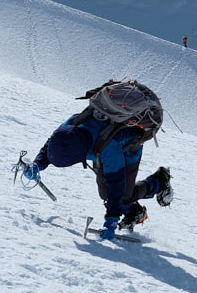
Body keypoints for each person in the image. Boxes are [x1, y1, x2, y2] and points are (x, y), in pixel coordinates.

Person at [16, 80, 172, 240]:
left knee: (123, 194)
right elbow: (53, 144)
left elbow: (116, 182)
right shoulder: (74, 124)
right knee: (105, 193)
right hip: (108, 138)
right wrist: (38, 164)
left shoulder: (108, 149)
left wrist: (111, 219)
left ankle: (159, 181)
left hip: (130, 144)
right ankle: (133, 211)